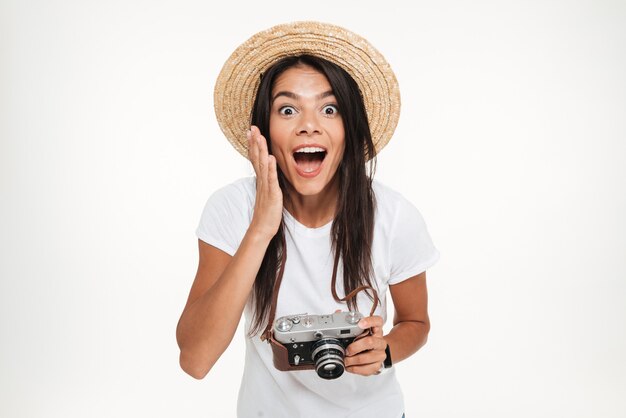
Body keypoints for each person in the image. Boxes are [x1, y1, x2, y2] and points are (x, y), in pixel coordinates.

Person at [176, 21, 439, 418]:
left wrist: (384, 351)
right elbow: (195, 360)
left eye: (329, 108)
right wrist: (262, 227)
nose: (309, 124)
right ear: (262, 132)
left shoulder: (393, 215)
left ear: (350, 129)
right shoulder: (232, 209)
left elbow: (416, 322)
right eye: (287, 109)